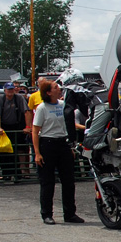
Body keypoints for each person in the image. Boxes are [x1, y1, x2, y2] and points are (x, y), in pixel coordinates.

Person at [31, 78, 82, 224]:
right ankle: (47, 214)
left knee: (69, 181)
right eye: (55, 87)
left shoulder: (63, 105)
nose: (58, 88)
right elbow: (35, 131)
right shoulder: (42, 108)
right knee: (48, 182)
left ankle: (70, 214)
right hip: (47, 144)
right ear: (48, 92)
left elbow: (69, 125)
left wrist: (70, 146)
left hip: (63, 143)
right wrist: (37, 153)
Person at [0, 80, 30, 183]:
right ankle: (6, 173)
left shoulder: (19, 98)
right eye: (8, 89)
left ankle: (17, 173)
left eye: (12, 89)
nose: (10, 91)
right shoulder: (0, 98)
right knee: (3, 151)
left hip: (16, 126)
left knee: (16, 150)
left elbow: (26, 112)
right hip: (4, 127)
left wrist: (27, 126)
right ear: (4, 90)